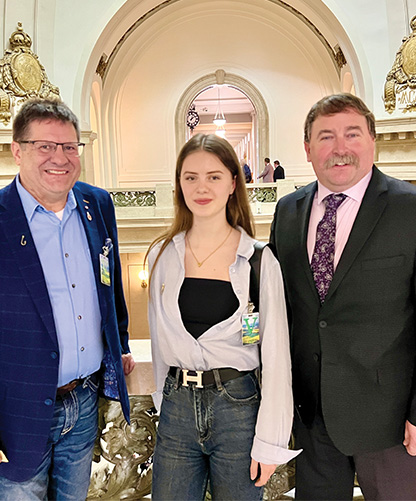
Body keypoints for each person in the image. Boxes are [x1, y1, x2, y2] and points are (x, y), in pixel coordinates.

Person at [0, 98, 135, 501]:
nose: (59, 158)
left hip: (83, 403)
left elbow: (108, 289)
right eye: (45, 146)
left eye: (69, 147)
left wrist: (120, 343)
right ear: (17, 149)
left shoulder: (98, 204)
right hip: (13, 415)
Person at [269, 93, 416, 500]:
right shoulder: (287, 212)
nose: (339, 148)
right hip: (311, 420)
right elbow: (284, 311)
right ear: (307, 149)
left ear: (372, 141)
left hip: (391, 424)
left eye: (352, 134)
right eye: (325, 137)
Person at [147, 133, 298, 500]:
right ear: (179, 184)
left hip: (238, 410)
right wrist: (164, 402)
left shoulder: (260, 261)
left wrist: (270, 441)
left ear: (233, 183)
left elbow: (277, 356)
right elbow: (158, 345)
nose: (202, 187)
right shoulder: (162, 256)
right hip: (177, 408)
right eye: (191, 177)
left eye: (214, 176)